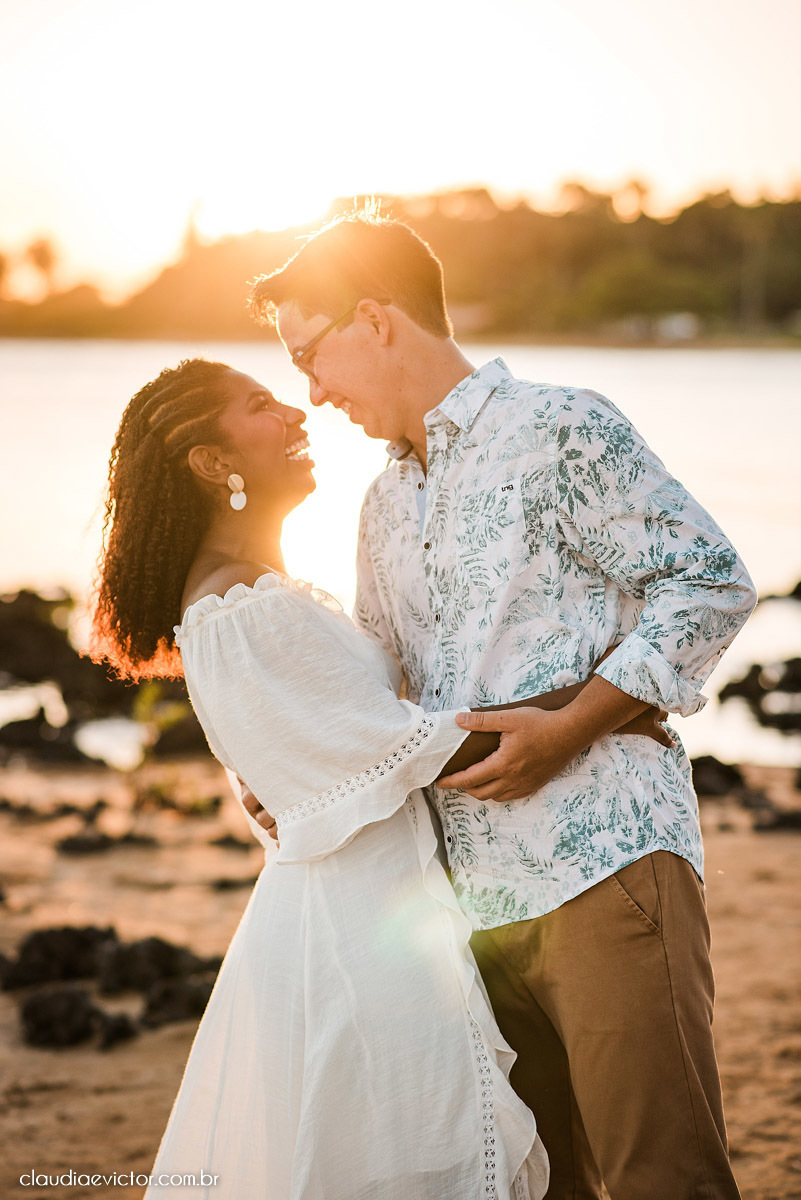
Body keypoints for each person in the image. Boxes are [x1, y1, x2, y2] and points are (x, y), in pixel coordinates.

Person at [249, 211, 758, 1200]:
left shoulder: (560, 426)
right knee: (531, 1184)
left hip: (603, 862)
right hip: (460, 905)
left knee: (662, 1178)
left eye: (311, 355)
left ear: (375, 319)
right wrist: (300, 768)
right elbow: (383, 684)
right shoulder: (381, 502)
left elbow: (707, 582)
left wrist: (567, 730)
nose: (312, 391)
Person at [91, 359, 671, 1199]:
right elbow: (413, 747)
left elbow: (342, 747)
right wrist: (606, 701)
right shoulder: (243, 605)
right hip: (359, 928)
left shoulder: (253, 595)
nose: (296, 410)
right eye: (259, 404)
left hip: (378, 908)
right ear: (213, 463)